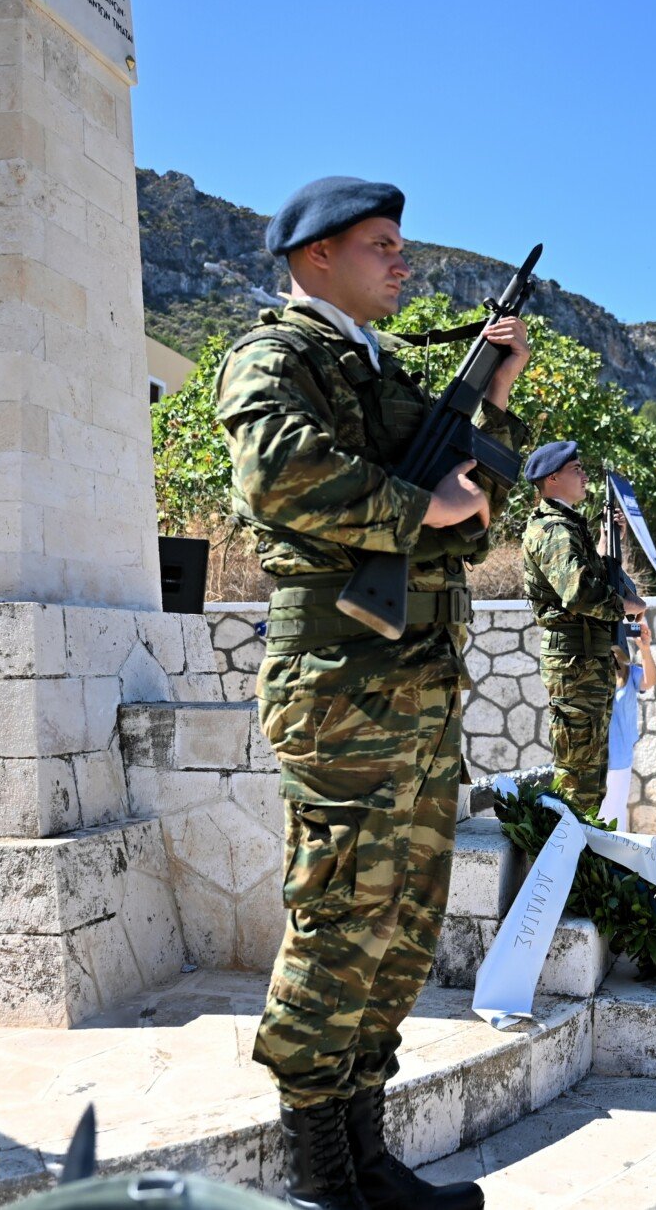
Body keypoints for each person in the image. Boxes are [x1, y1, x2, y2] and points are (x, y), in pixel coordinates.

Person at [216, 174, 528, 1210]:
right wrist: (413, 503)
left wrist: (491, 401)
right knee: (341, 913)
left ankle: (366, 1156)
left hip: (417, 685)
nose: (404, 261)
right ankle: (320, 1179)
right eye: (381, 244)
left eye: (402, 245)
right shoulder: (278, 354)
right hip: (343, 685)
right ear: (316, 257)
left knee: (401, 922)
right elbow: (275, 472)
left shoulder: (379, 366)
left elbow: (471, 512)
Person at [522, 441, 645, 815]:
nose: (584, 474)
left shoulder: (568, 526)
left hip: (586, 658)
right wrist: (626, 606)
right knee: (578, 776)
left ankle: (578, 856)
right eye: (576, 468)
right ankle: (566, 862)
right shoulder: (556, 529)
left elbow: (584, 576)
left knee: (588, 771)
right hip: (576, 661)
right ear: (552, 478)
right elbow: (577, 592)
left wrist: (608, 547)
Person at [603, 623, 656, 831]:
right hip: (593, 756)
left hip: (618, 757)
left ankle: (613, 860)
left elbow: (650, 680)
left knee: (614, 814)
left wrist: (644, 648)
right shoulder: (592, 671)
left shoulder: (628, 673)